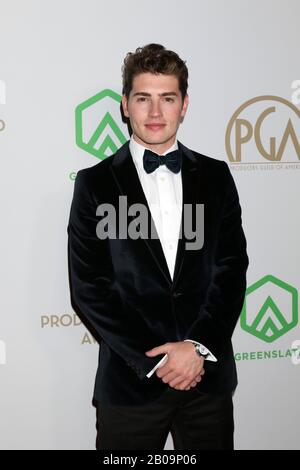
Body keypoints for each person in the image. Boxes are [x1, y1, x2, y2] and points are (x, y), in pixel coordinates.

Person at [67, 43, 249, 450]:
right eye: (143, 98)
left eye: (167, 99)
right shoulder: (95, 184)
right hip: (131, 386)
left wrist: (196, 347)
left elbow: (231, 269)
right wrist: (159, 360)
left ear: (184, 105)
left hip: (206, 382)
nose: (154, 112)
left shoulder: (216, 177)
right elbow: (90, 287)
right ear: (125, 105)